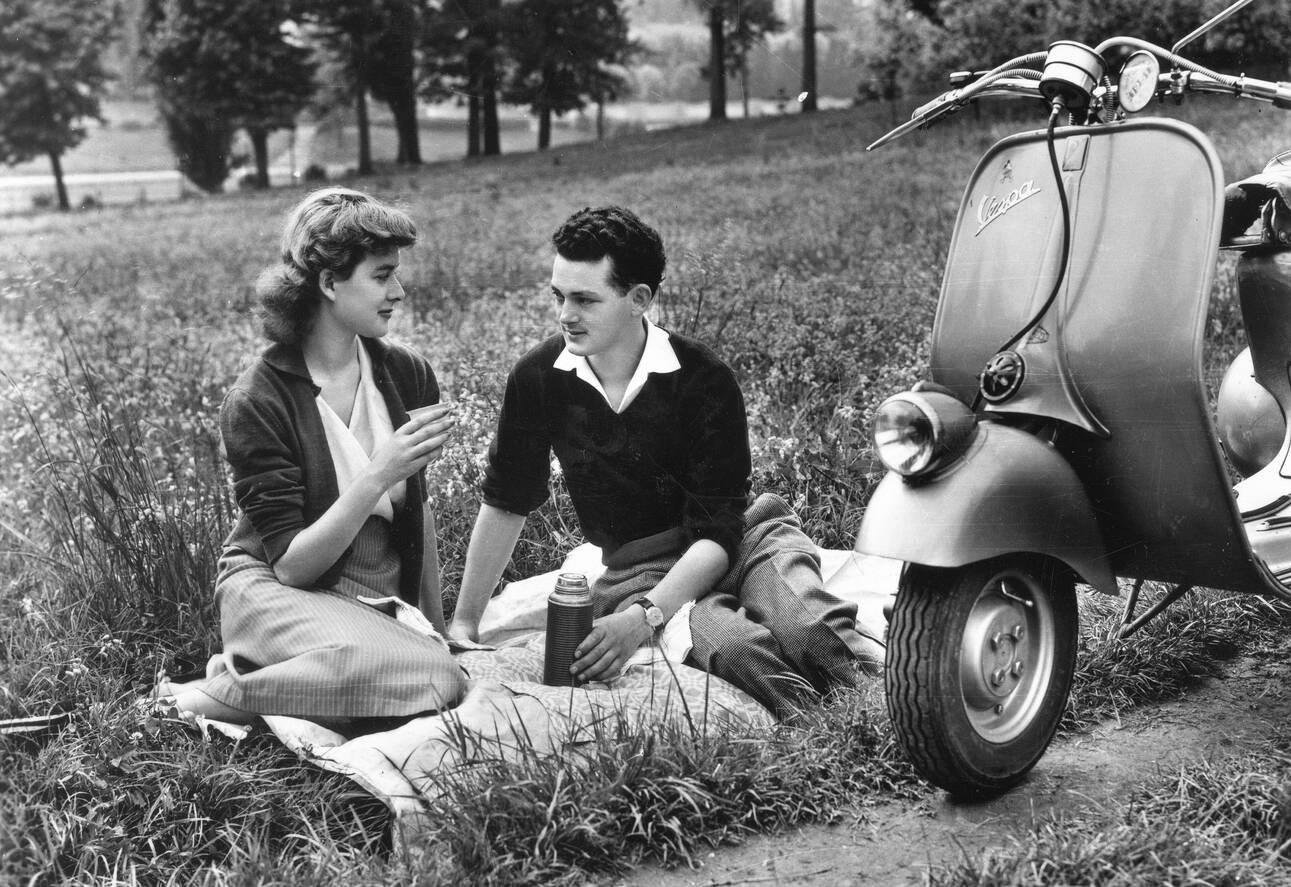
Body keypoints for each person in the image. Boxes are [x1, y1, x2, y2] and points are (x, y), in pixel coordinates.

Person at [447, 205, 877, 720]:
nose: (565, 314)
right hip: (636, 568)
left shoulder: (703, 377)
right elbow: (506, 501)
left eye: (585, 299)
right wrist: (464, 624)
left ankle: (885, 712)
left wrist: (643, 620)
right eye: (558, 296)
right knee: (740, 650)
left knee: (810, 628)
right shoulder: (537, 378)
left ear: (639, 299)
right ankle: (822, 733)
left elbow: (718, 532)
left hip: (743, 539)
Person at [158, 187, 467, 724]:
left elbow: (420, 516)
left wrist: (440, 633)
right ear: (328, 282)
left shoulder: (407, 373)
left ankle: (261, 684)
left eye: (396, 273)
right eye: (381, 274)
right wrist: (377, 475)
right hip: (274, 589)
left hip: (373, 588)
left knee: (434, 672)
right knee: (428, 681)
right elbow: (293, 567)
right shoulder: (258, 400)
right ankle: (204, 700)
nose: (398, 290)